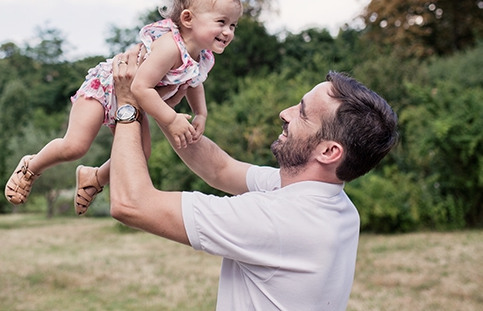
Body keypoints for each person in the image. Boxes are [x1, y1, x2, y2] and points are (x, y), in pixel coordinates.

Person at [108, 45, 398, 310]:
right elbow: (220, 169)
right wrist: (160, 108)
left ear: (329, 151)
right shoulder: (333, 204)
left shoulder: (278, 219)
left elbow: (131, 204)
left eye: (303, 114)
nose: (285, 114)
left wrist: (128, 104)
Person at [4, 0, 242, 214]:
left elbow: (194, 81)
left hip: (133, 102)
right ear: (188, 18)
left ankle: (94, 178)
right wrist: (170, 120)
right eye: (221, 22)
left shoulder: (202, 56)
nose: (228, 32)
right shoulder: (170, 46)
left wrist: (200, 113)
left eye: (233, 25)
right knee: (75, 146)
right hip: (107, 87)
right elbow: (139, 86)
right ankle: (31, 166)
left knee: (141, 155)